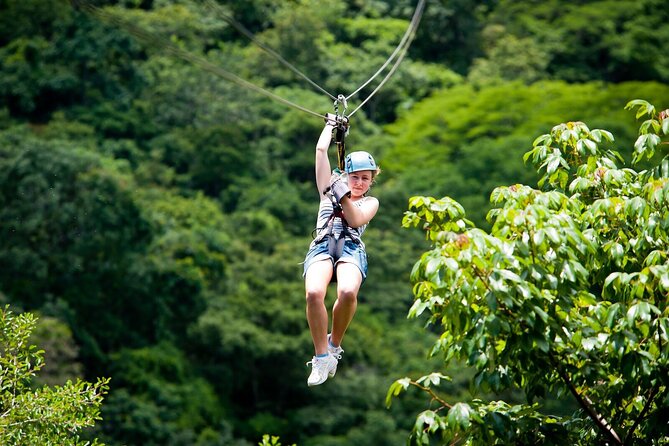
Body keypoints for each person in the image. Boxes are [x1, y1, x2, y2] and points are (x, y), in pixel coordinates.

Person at [303, 117, 380, 386]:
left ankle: (334, 345)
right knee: (314, 293)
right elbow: (320, 151)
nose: (359, 183)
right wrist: (330, 125)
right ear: (346, 175)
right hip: (323, 244)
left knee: (347, 292)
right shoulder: (327, 190)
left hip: (350, 247)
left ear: (371, 181)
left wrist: (343, 194)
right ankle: (321, 357)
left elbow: (355, 220)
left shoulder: (370, 202)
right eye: (354, 177)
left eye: (365, 179)